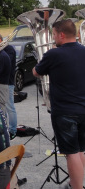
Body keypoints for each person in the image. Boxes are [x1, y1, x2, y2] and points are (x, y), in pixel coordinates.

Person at [33, 20, 85, 189]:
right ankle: (78, 183)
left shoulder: (54, 54)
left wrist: (48, 55)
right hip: (83, 108)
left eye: (54, 34)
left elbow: (36, 72)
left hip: (64, 111)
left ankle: (75, 187)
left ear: (61, 34)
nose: (53, 37)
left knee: (71, 153)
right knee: (81, 150)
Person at [0, 32, 17, 139]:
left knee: (10, 107)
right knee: (2, 108)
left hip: (8, 82)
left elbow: (6, 64)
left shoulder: (8, 49)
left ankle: (12, 130)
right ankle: (4, 128)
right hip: (0, 83)